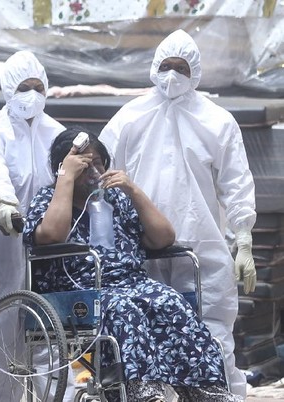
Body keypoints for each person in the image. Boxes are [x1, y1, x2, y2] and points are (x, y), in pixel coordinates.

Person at [23, 128, 240, 402]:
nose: (93, 172)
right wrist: (65, 179)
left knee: (169, 302)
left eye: (98, 164)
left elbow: (163, 238)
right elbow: (51, 235)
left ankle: (205, 391)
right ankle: (141, 391)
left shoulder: (115, 201)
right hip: (79, 291)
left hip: (131, 283)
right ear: (63, 167)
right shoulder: (47, 199)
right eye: (85, 165)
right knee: (124, 310)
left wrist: (133, 190)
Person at [99, 29, 256, 398]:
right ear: (154, 67)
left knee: (212, 331)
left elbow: (236, 182)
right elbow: (101, 177)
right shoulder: (129, 118)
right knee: (149, 340)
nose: (172, 75)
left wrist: (244, 237)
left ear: (195, 71)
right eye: (166, 66)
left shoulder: (216, 120)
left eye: (180, 67)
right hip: (145, 248)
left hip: (201, 247)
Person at [0, 50, 72, 401]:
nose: (32, 94)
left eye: (38, 86)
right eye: (24, 87)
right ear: (8, 89)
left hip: (42, 250)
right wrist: (5, 204)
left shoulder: (56, 133)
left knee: (45, 337)